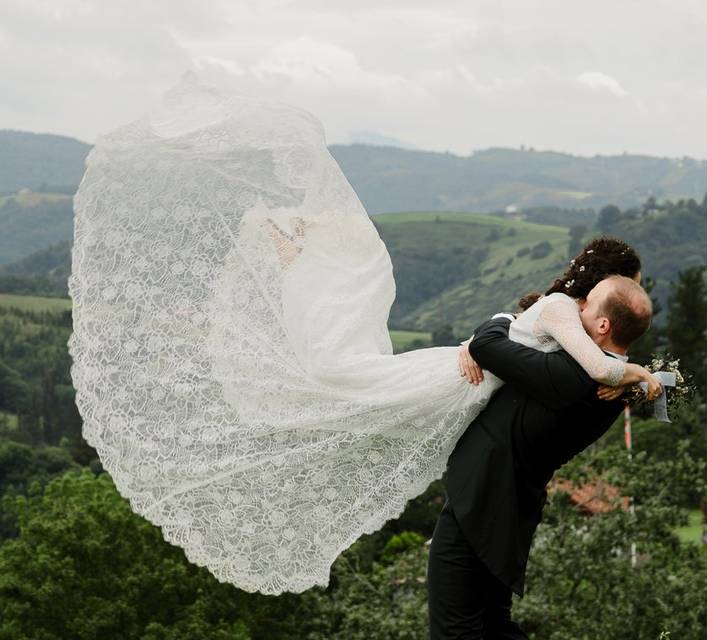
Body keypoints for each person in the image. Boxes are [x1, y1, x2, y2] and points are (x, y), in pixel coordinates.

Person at [67, 74, 660, 595]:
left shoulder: (560, 313)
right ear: (598, 293)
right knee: (345, 376)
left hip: (468, 385)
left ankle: (301, 264)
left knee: (366, 401)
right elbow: (595, 366)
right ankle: (298, 261)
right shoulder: (563, 311)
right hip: (460, 379)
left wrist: (636, 376)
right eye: (625, 288)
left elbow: (527, 342)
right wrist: (638, 375)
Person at [428, 275, 653, 639]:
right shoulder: (616, 384)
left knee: (455, 629)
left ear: (603, 325)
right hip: (508, 509)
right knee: (492, 625)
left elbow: (487, 343)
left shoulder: (573, 375)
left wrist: (509, 319)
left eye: (587, 303)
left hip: (483, 503)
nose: (577, 306)